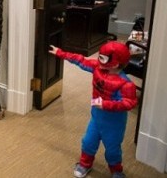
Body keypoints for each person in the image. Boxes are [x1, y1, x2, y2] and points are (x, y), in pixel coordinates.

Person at [49, 41, 137, 178]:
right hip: (96, 118)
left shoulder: (126, 84)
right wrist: (61, 53)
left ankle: (116, 171)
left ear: (115, 63)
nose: (99, 59)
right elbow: (80, 60)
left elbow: (129, 103)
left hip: (114, 124)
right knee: (88, 142)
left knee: (113, 150)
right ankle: (85, 164)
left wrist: (106, 104)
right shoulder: (97, 68)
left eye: (103, 58)